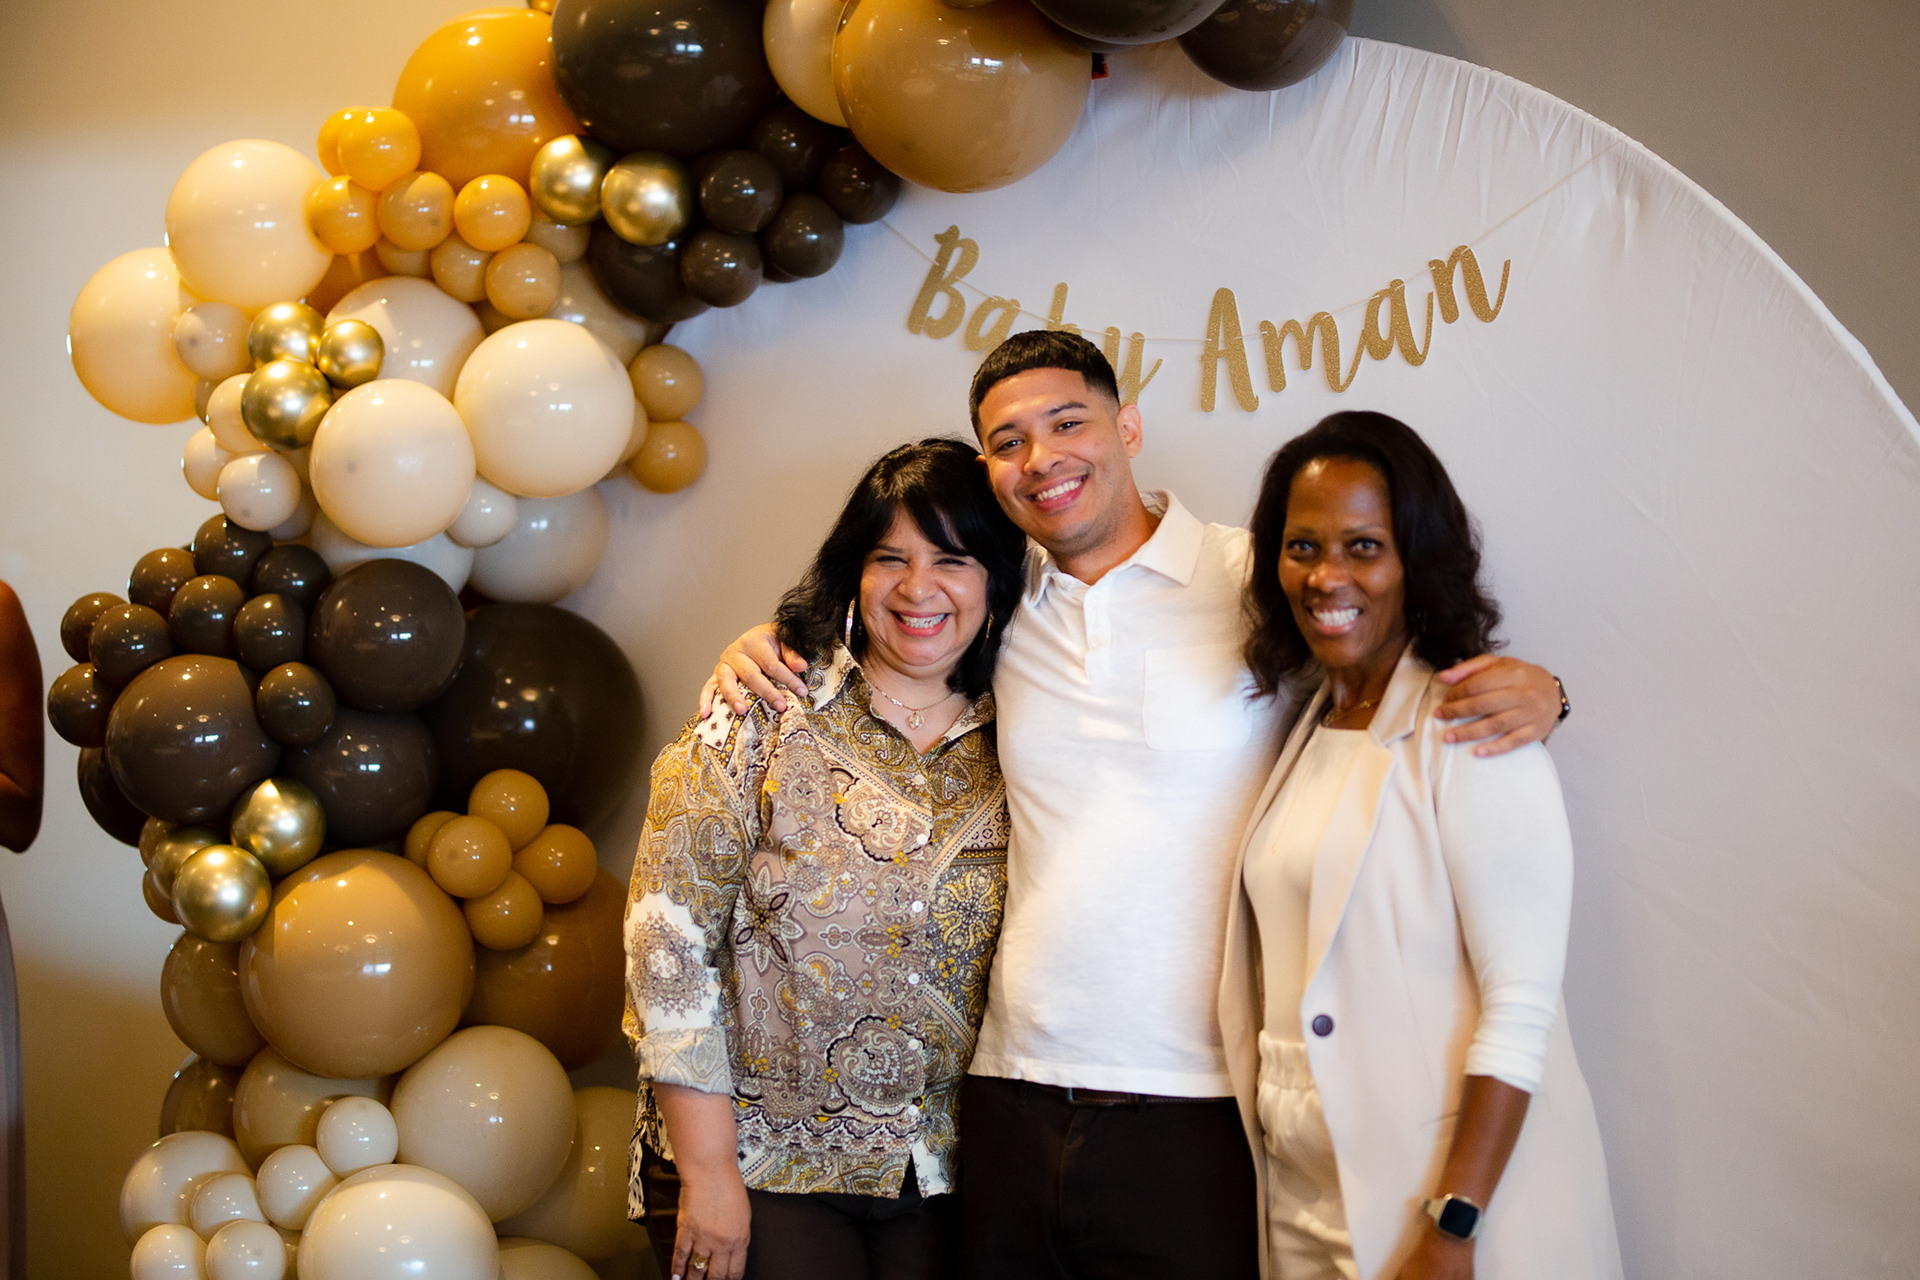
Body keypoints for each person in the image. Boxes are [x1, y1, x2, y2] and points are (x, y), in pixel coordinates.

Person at [707, 332, 1568, 1278]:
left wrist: (1547, 692)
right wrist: (767, 640)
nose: (1041, 458)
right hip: (1006, 1091)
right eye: (1007, 442)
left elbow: (1383, 650)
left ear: (1128, 428)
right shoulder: (998, 601)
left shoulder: (1261, 579)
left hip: (1199, 1103)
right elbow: (890, 631)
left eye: (1067, 423)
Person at [1220, 411, 1619, 1279]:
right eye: (1301, 547)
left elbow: (1522, 1004)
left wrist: (1455, 1222)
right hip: (1303, 1195)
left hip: (1440, 1201)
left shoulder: (1471, 732)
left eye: (1364, 547)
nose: (1327, 576)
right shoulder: (1306, 722)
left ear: (1416, 561)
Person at [624, 439, 1028, 1280]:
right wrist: (708, 1172)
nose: (919, 588)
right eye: (891, 559)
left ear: (995, 580)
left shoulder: (1027, 736)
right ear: (853, 574)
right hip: (755, 1158)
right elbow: (665, 947)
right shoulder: (762, 712)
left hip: (939, 1171)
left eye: (952, 560)